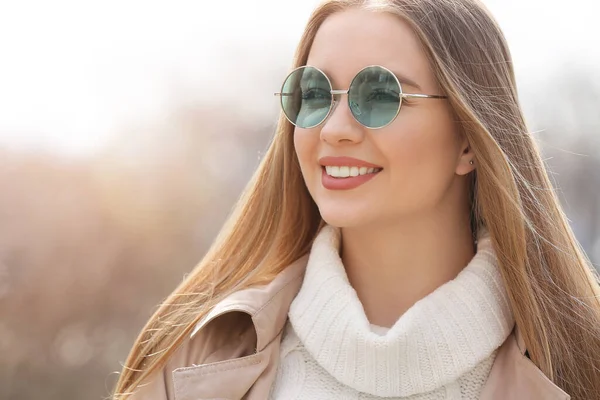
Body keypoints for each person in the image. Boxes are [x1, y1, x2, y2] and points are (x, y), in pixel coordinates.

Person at [113, 0, 600, 398]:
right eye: (315, 95)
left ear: (469, 140)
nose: (336, 129)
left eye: (382, 96)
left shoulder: (583, 365)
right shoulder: (191, 363)